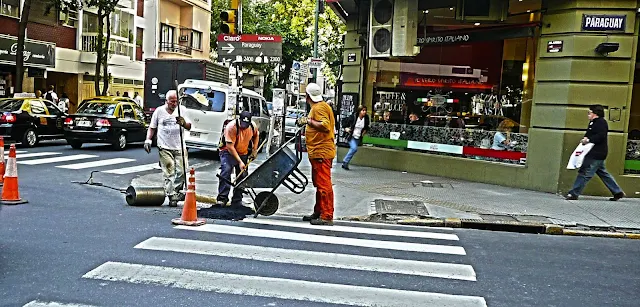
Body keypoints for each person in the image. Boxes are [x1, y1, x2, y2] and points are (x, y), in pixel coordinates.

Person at [566, 105, 625, 201]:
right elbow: (590, 133)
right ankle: (617, 192)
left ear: (595, 114)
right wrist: (585, 138)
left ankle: (574, 193)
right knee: (603, 173)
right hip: (594, 152)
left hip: (596, 153)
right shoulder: (593, 122)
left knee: (585, 172)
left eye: (589, 112)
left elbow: (600, 136)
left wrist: (588, 139)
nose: (588, 115)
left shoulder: (601, 122)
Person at [144, 90, 192, 207]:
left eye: (176, 101)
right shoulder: (159, 112)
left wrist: (183, 123)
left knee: (181, 171)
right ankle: (171, 195)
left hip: (179, 146)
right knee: (169, 171)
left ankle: (176, 191)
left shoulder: (182, 110)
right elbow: (152, 127)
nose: (174, 104)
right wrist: (148, 140)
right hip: (164, 146)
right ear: (166, 101)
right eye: (172, 102)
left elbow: (189, 126)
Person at [297, 83, 336, 226]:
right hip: (319, 152)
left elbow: (324, 126)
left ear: (308, 96)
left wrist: (308, 121)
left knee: (323, 184)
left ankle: (326, 215)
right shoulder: (322, 106)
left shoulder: (319, 108)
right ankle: (319, 211)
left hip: (321, 152)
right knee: (319, 184)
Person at [216, 111, 259, 206]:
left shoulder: (252, 126)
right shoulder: (231, 127)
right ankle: (222, 198)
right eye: (242, 124)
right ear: (239, 120)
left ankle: (237, 199)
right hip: (227, 152)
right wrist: (239, 162)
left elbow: (256, 136)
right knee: (226, 170)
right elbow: (230, 147)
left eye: (246, 125)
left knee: (242, 175)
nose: (244, 126)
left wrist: (254, 150)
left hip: (243, 152)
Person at [342, 105, 370, 170]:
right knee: (354, 148)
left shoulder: (366, 118)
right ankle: (345, 161)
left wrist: (363, 134)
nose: (364, 112)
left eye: (365, 110)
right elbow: (344, 122)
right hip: (351, 135)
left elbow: (366, 127)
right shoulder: (354, 117)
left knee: (353, 149)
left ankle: (345, 163)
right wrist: (346, 129)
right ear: (359, 111)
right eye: (363, 110)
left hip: (358, 136)